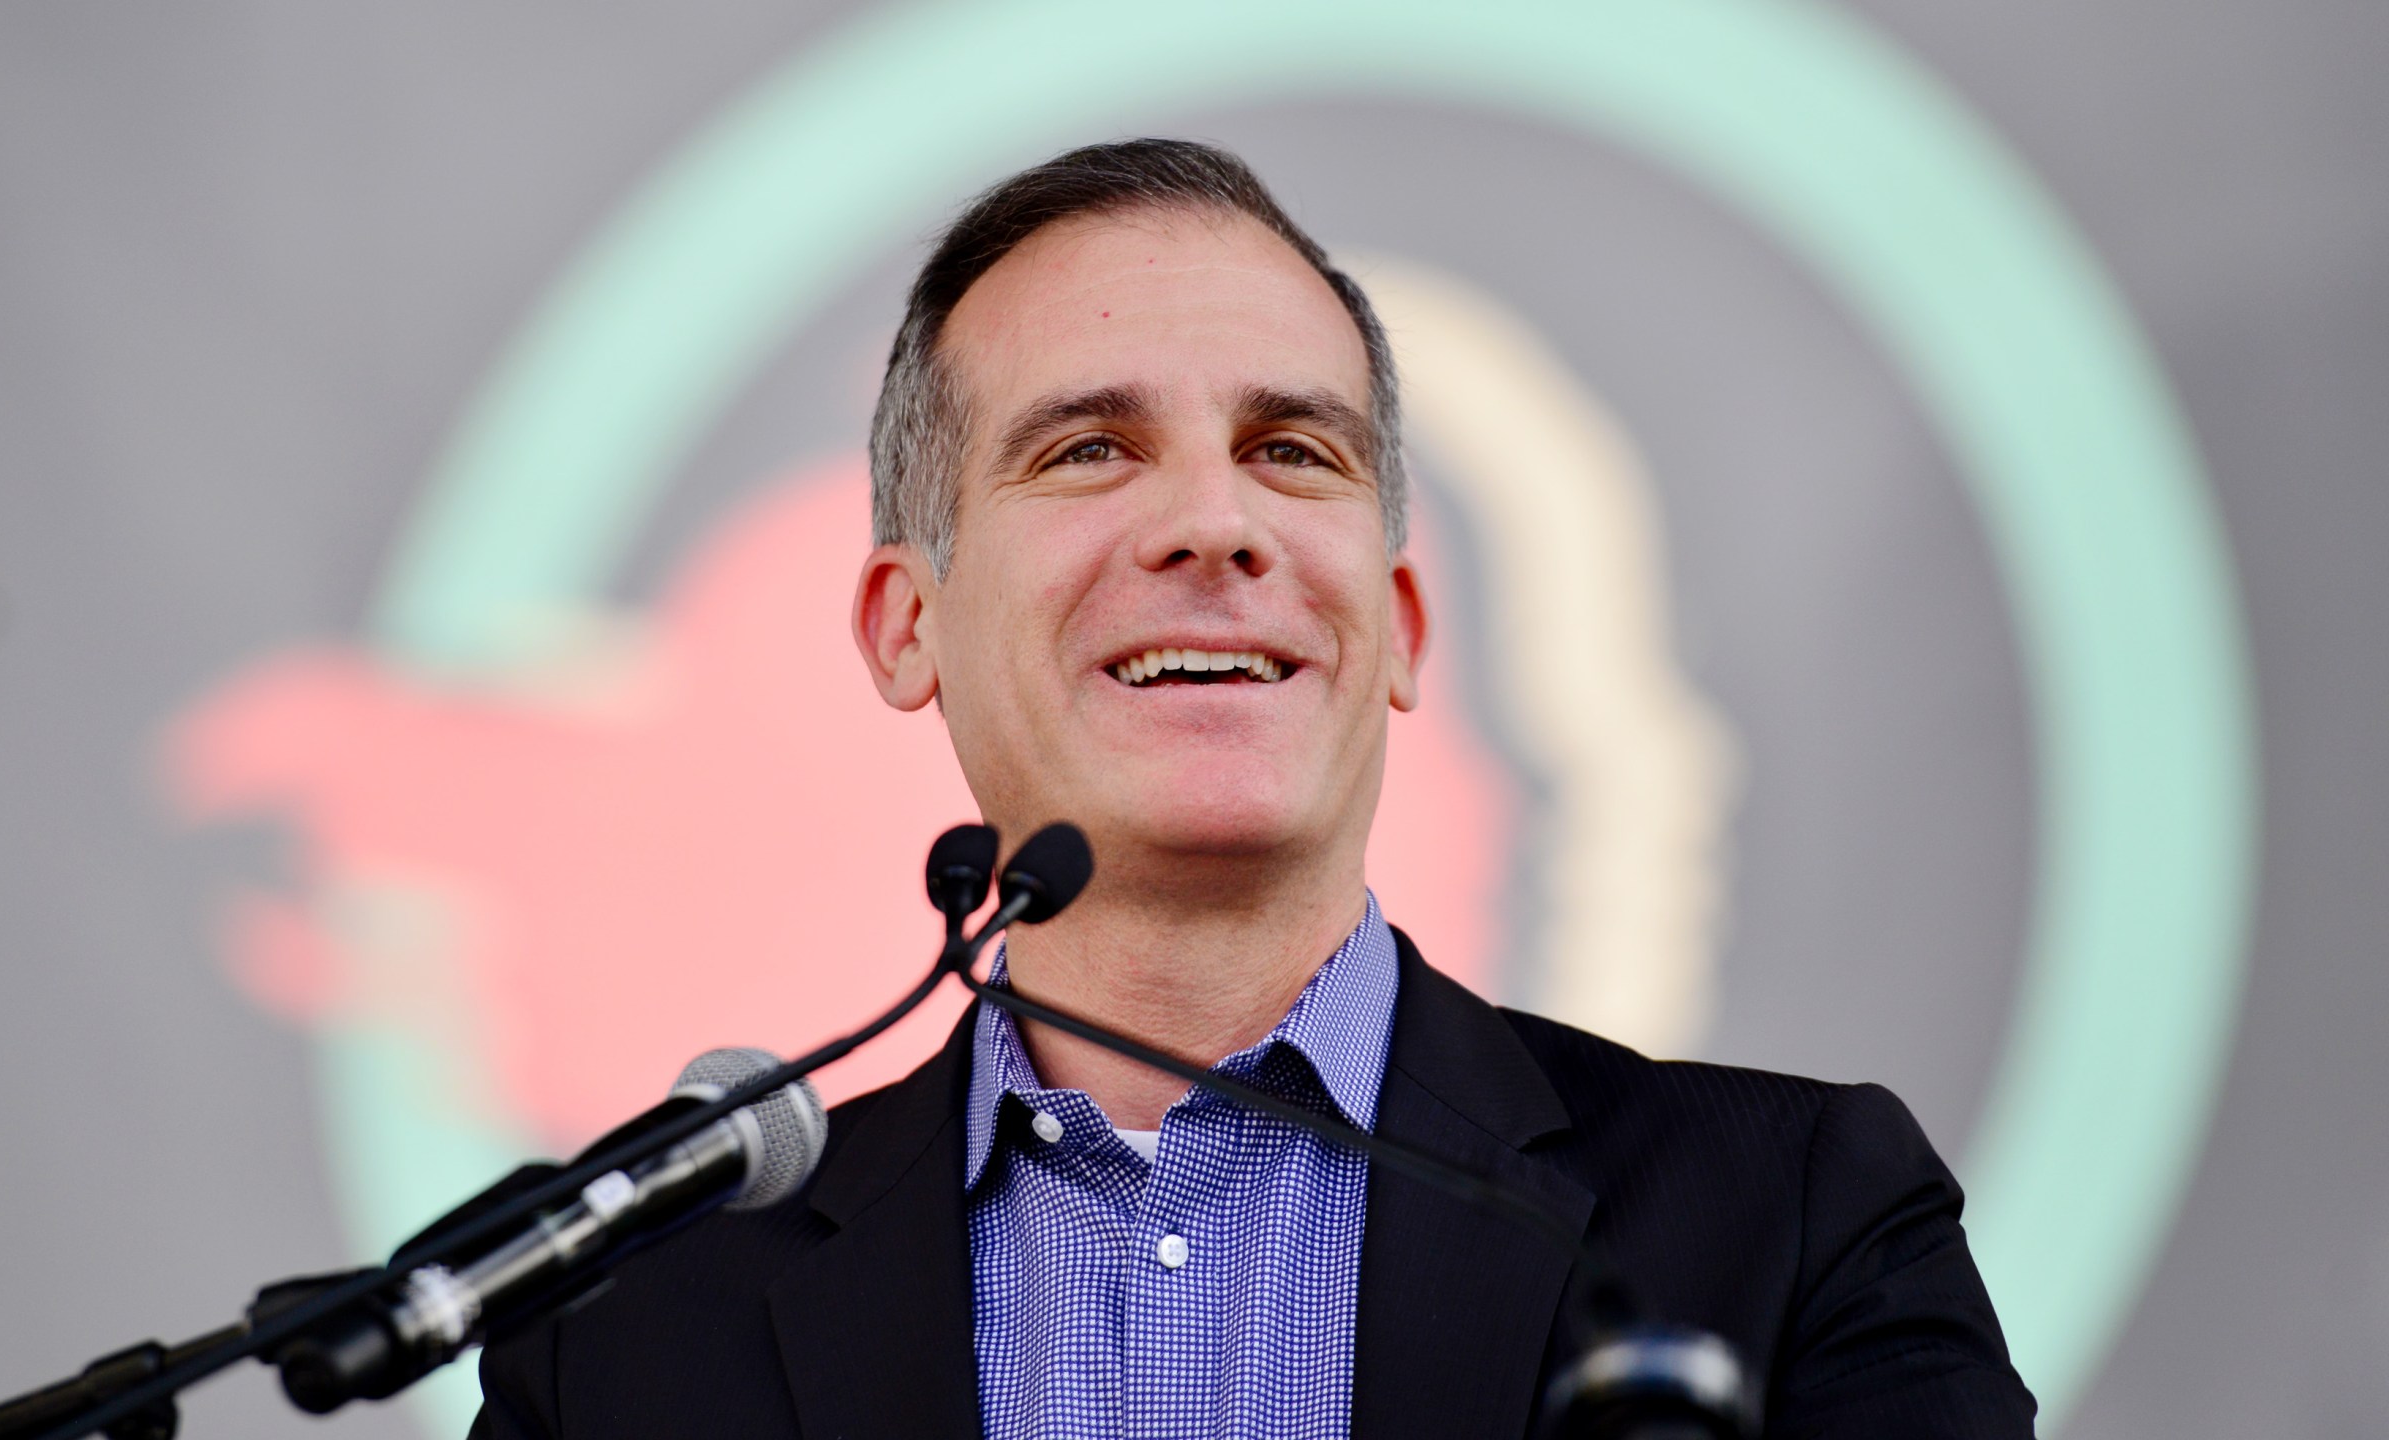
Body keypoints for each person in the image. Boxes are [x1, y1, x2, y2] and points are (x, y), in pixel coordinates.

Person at [473, 138, 2036, 1440]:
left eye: (1295, 452)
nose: (1215, 525)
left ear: (1403, 629)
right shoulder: (620, 1341)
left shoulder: (1795, 1231)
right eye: (1089, 449)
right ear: (906, 626)